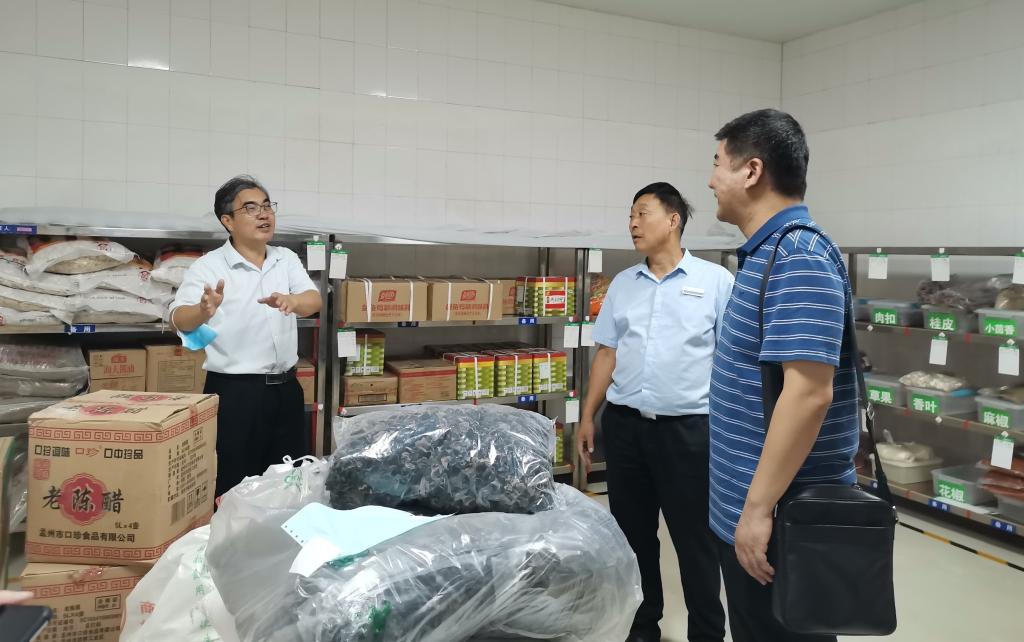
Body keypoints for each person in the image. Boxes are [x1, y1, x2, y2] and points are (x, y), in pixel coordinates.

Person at [707, 109, 858, 642]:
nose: (710, 180)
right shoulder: (766, 253)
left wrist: (756, 510)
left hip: (780, 521)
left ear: (751, 171)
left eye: (718, 163)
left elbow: (809, 394)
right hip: (755, 511)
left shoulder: (799, 254)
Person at [578, 182, 733, 642]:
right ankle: (643, 627)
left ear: (673, 220)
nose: (632, 223)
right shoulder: (623, 284)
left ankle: (707, 633)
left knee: (695, 540)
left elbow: (732, 360)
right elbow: (607, 353)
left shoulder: (716, 282)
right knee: (633, 537)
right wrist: (588, 416)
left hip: (689, 433)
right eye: (630, 215)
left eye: (642, 213)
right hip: (626, 429)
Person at [170, 175, 322, 498]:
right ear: (227, 221)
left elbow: (314, 300)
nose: (264, 214)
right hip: (236, 394)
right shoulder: (210, 266)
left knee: (289, 486)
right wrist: (203, 311)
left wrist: (293, 301)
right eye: (251, 208)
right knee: (234, 488)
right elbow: (178, 318)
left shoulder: (285, 258)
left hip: (286, 390)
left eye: (267, 206)